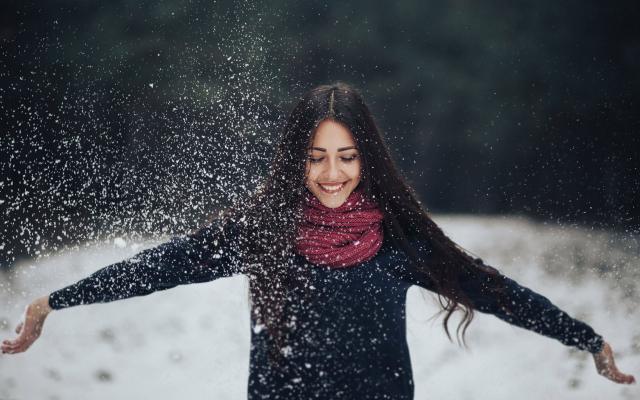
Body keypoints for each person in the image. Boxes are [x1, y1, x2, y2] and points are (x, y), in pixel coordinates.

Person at [2, 82, 635, 398]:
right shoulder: (262, 234)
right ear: (296, 161)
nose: (332, 174)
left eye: (348, 157)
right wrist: (53, 301)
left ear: (368, 160)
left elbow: (497, 292)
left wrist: (586, 338)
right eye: (317, 157)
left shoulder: (401, 241)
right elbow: (162, 266)